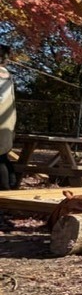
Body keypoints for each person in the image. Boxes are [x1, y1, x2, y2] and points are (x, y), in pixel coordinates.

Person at [0, 43, 20, 193]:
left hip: (2, 121)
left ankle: (5, 188)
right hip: (6, 121)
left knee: (0, 156)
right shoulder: (4, 74)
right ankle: (12, 185)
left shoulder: (2, 74)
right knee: (2, 156)